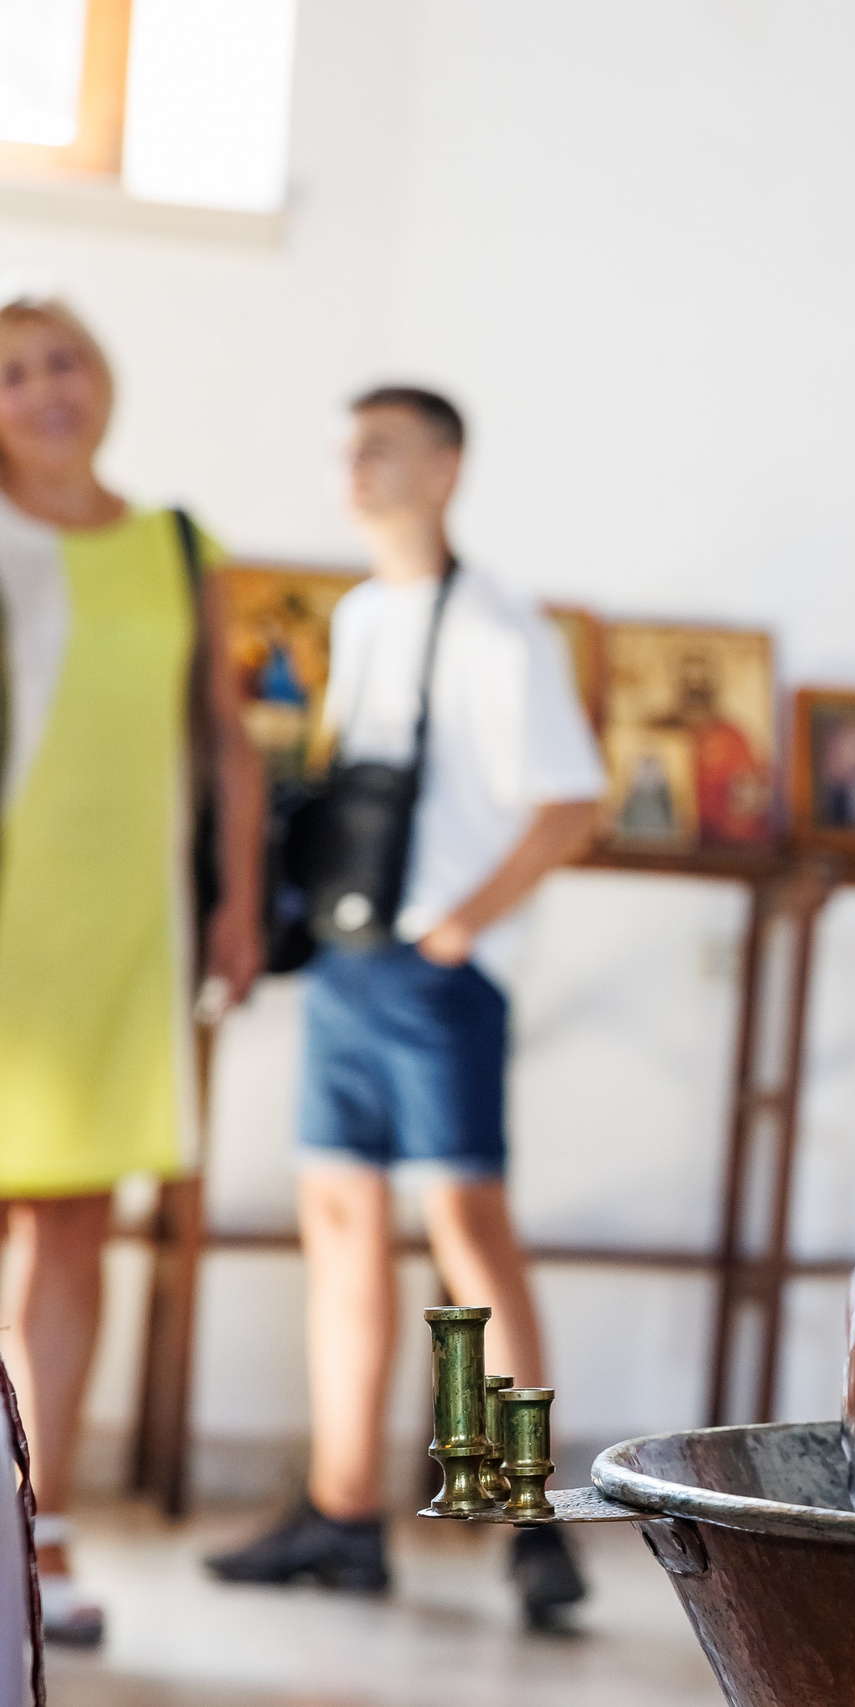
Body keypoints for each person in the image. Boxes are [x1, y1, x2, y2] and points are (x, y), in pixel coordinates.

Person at [206, 386, 604, 1629]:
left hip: (436, 978)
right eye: (347, 448)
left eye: (381, 447)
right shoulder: (362, 615)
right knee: (337, 1222)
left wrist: (460, 927)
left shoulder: (498, 627)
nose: (356, 468)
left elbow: (569, 803)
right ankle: (341, 1515)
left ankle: (527, 1518)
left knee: (467, 1236)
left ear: (446, 468)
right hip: (344, 961)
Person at [0, 293, 266, 1648]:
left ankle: (39, 1527)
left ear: (103, 381)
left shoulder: (175, 541)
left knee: (71, 1226)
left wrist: (238, 896)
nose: (45, 389)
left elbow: (225, 735)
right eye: (13, 373)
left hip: (116, 925)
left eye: (65, 362)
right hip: (4, 913)